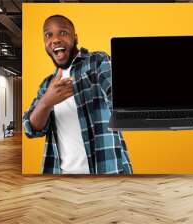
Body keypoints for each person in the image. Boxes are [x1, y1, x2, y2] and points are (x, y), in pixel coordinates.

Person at [23, 15, 133, 174]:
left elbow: (115, 95)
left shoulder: (97, 62)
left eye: (63, 32)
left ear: (75, 38)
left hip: (108, 173)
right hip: (61, 176)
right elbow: (31, 129)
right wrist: (46, 102)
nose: (55, 40)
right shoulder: (47, 84)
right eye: (48, 35)